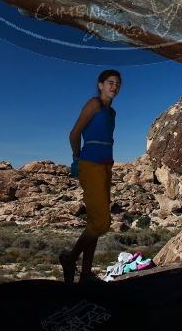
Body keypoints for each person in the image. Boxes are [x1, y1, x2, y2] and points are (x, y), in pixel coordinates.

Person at [59, 69, 121, 284]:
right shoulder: (94, 103)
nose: (115, 86)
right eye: (110, 82)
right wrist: (77, 158)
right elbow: (74, 133)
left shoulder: (112, 112)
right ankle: (70, 258)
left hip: (106, 166)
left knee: (95, 222)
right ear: (100, 84)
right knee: (101, 222)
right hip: (90, 164)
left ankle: (85, 273)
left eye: (117, 83)